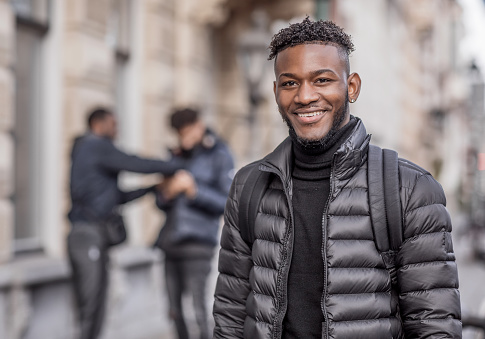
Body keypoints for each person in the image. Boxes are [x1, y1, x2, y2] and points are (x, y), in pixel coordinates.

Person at [213, 18, 462, 339]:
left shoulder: (408, 187)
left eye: (322, 80)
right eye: (289, 83)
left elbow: (434, 324)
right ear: (275, 92)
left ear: (352, 86)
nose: (304, 96)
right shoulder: (249, 185)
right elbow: (230, 314)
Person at [67, 108, 183, 339]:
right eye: (113, 124)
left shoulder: (90, 153)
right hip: (87, 235)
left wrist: (151, 188)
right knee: (90, 304)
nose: (116, 129)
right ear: (98, 125)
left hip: (91, 235)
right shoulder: (95, 145)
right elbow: (134, 163)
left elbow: (117, 197)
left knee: (96, 303)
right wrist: (174, 165)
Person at [155, 108, 234, 339]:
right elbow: (160, 202)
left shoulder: (219, 154)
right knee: (174, 311)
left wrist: (194, 191)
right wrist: (166, 194)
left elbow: (228, 202)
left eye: (188, 131)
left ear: (199, 125)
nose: (184, 138)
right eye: (180, 133)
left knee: (197, 308)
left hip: (199, 242)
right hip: (171, 241)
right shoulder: (176, 155)